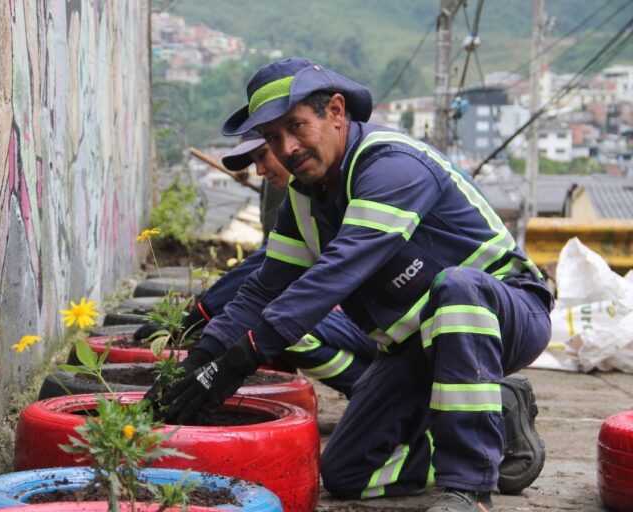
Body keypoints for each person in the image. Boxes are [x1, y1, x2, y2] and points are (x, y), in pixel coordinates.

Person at [152, 58, 553, 512]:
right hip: (415, 346)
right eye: (272, 138)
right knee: (347, 472)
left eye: (296, 126)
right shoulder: (302, 202)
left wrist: (244, 356)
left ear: (336, 112)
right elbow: (262, 290)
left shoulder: (392, 166)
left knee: (456, 287)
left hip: (505, 313)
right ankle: (493, 425)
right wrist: (200, 362)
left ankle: (468, 489)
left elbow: (338, 271)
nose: (286, 148)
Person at [138, 130, 378, 398]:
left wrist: (201, 317)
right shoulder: (294, 194)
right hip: (355, 316)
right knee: (268, 323)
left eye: (264, 155)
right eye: (254, 162)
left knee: (282, 328)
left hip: (372, 322)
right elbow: (264, 274)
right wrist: (201, 322)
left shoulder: (351, 186)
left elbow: (266, 266)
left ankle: (372, 391)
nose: (261, 170)